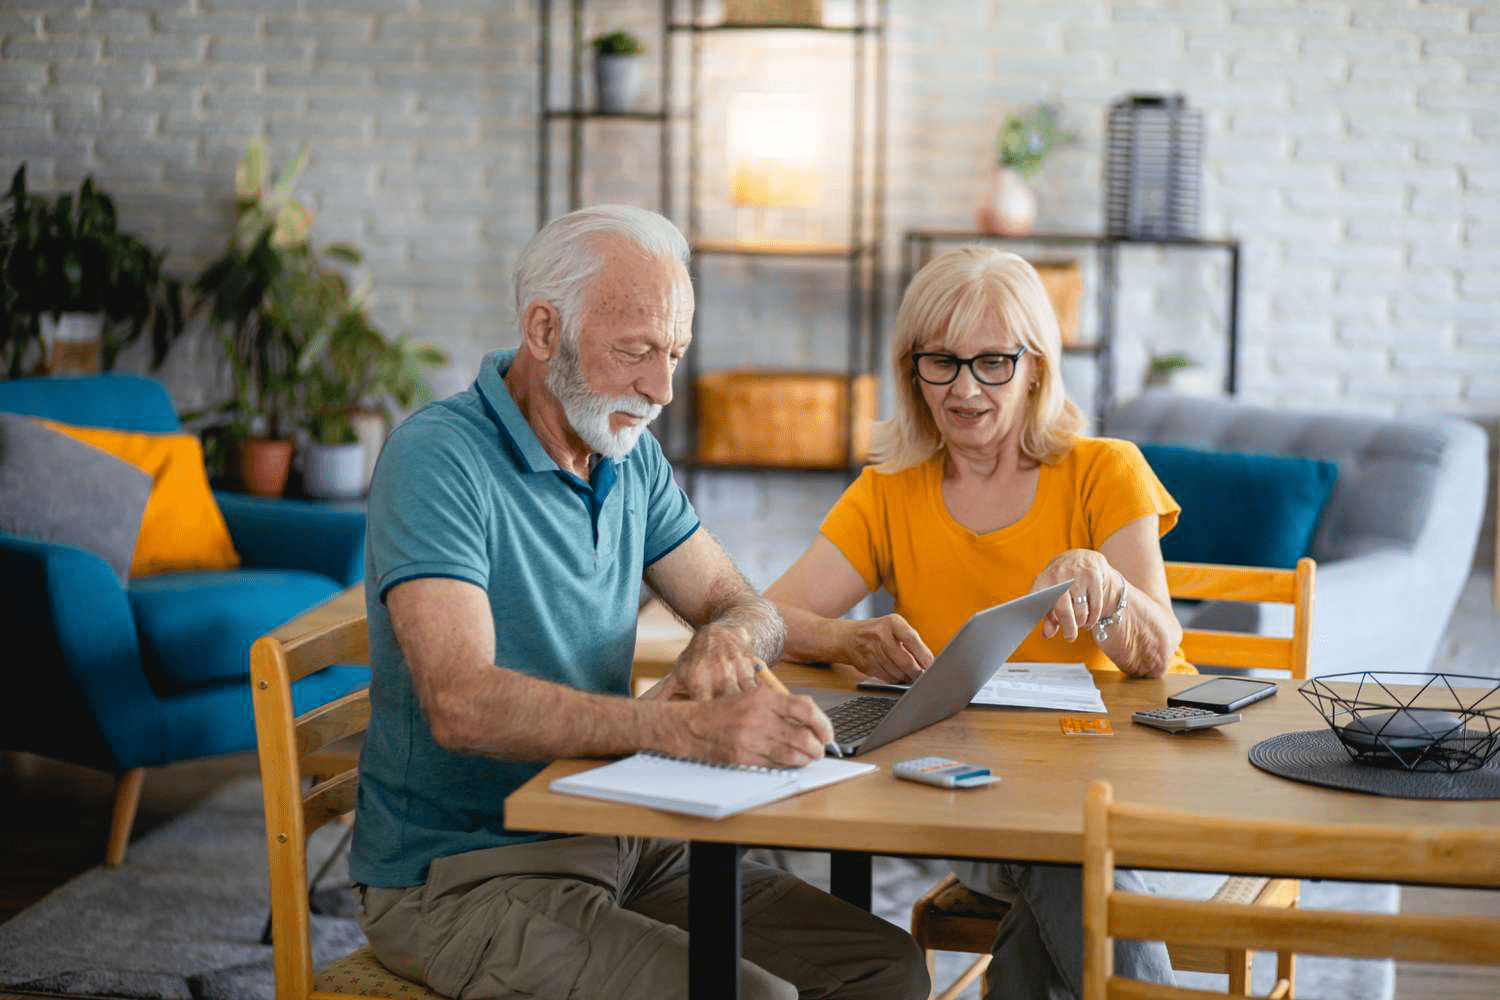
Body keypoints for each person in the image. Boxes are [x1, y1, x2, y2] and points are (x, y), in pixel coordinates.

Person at [349, 204, 928, 1000]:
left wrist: (729, 638)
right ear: (544, 331)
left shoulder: (629, 455)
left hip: (611, 831)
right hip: (463, 871)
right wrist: (681, 731)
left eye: (675, 354)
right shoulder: (439, 461)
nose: (660, 387)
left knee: (884, 966)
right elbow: (461, 704)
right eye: (635, 352)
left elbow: (740, 600)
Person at [765, 245, 1194, 1000]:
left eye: (993, 361)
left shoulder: (1104, 470)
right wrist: (845, 638)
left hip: (1123, 786)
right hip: (984, 795)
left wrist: (1106, 586)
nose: (965, 388)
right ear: (912, 370)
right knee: (1062, 856)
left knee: (1066, 857)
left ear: (1035, 366)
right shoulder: (889, 493)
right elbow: (767, 618)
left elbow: (1157, 656)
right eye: (943, 362)